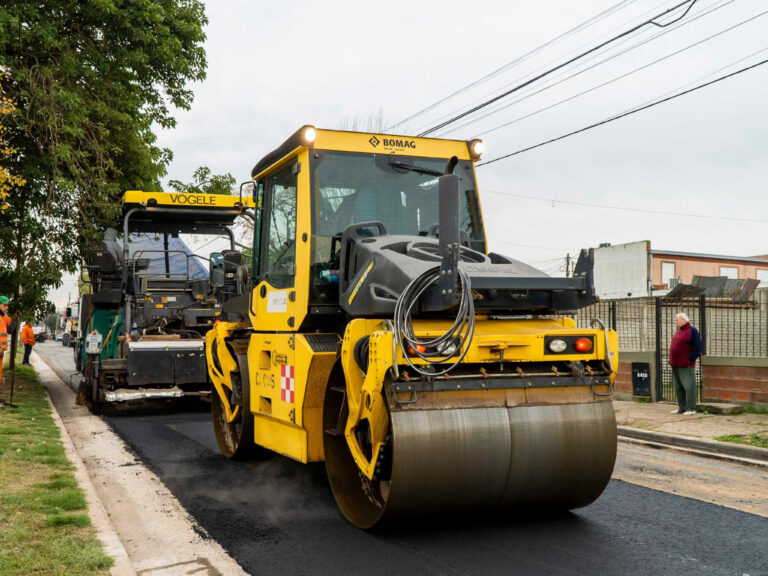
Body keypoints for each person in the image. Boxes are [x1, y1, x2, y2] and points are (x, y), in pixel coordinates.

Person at [669, 312, 702, 415]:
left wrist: (689, 359)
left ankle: (691, 408)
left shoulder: (692, 330)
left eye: (677, 320)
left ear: (684, 320)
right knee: (678, 387)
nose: (676, 321)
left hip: (686, 364)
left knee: (689, 386)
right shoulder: (679, 331)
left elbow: (698, 348)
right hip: (675, 363)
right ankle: (682, 407)